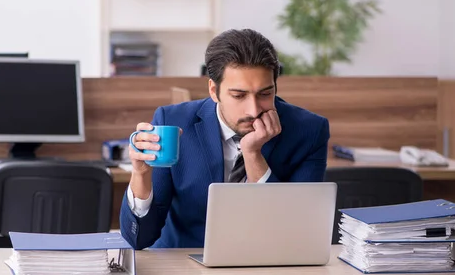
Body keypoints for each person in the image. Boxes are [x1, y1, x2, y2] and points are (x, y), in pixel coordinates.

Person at [120, 29, 330, 249]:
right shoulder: (174, 121)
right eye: (239, 96)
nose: (254, 109)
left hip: (267, 265)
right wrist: (141, 174)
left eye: (265, 94)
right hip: (185, 265)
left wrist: (253, 155)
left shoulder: (309, 130)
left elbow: (298, 232)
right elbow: (139, 239)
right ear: (214, 90)